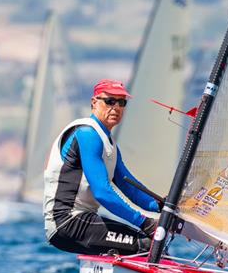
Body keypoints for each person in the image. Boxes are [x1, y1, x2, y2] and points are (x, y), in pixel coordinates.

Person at [44, 78, 160, 255]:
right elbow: (102, 192)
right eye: (109, 101)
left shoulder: (109, 143)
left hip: (83, 219)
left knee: (147, 242)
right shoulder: (87, 133)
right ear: (94, 103)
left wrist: (161, 205)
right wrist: (144, 222)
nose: (116, 107)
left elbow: (129, 187)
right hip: (67, 222)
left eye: (121, 102)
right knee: (147, 245)